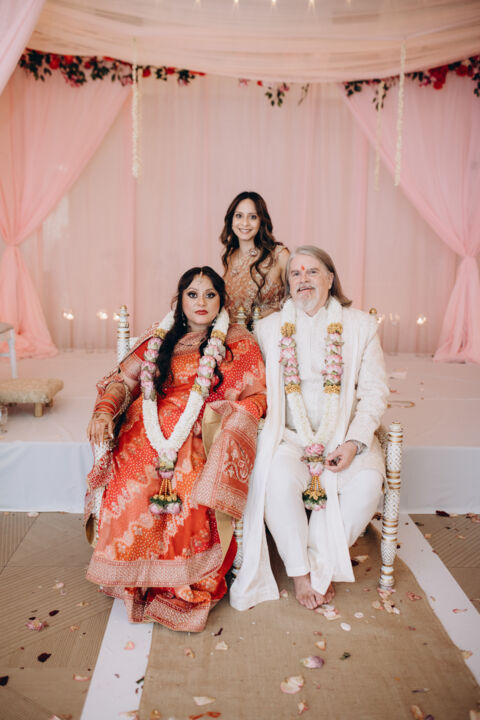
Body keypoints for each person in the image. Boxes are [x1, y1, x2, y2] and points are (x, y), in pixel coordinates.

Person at [85, 267, 266, 632]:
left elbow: (257, 394)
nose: (201, 302)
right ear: (180, 299)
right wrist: (104, 410)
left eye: (210, 294)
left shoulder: (238, 342)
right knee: (132, 477)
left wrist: (225, 416)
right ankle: (135, 576)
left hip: (201, 429)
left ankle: (178, 579)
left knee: (188, 481)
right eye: (193, 294)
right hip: (145, 429)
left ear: (222, 300)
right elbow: (123, 380)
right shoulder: (160, 337)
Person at [230, 246, 388, 612]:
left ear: (330, 278)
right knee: (274, 481)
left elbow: (375, 392)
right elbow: (252, 385)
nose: (303, 279)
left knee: (367, 485)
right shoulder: (268, 329)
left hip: (345, 435)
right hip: (289, 436)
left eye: (312, 271)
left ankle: (321, 565)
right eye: (296, 274)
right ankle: (301, 573)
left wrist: (354, 443)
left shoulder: (361, 326)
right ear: (288, 284)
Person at [220, 191, 289, 326]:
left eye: (252, 217)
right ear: (231, 220)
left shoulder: (279, 255)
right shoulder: (230, 255)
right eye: (239, 216)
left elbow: (296, 300)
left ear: (261, 221)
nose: (245, 223)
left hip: (270, 334)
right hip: (232, 334)